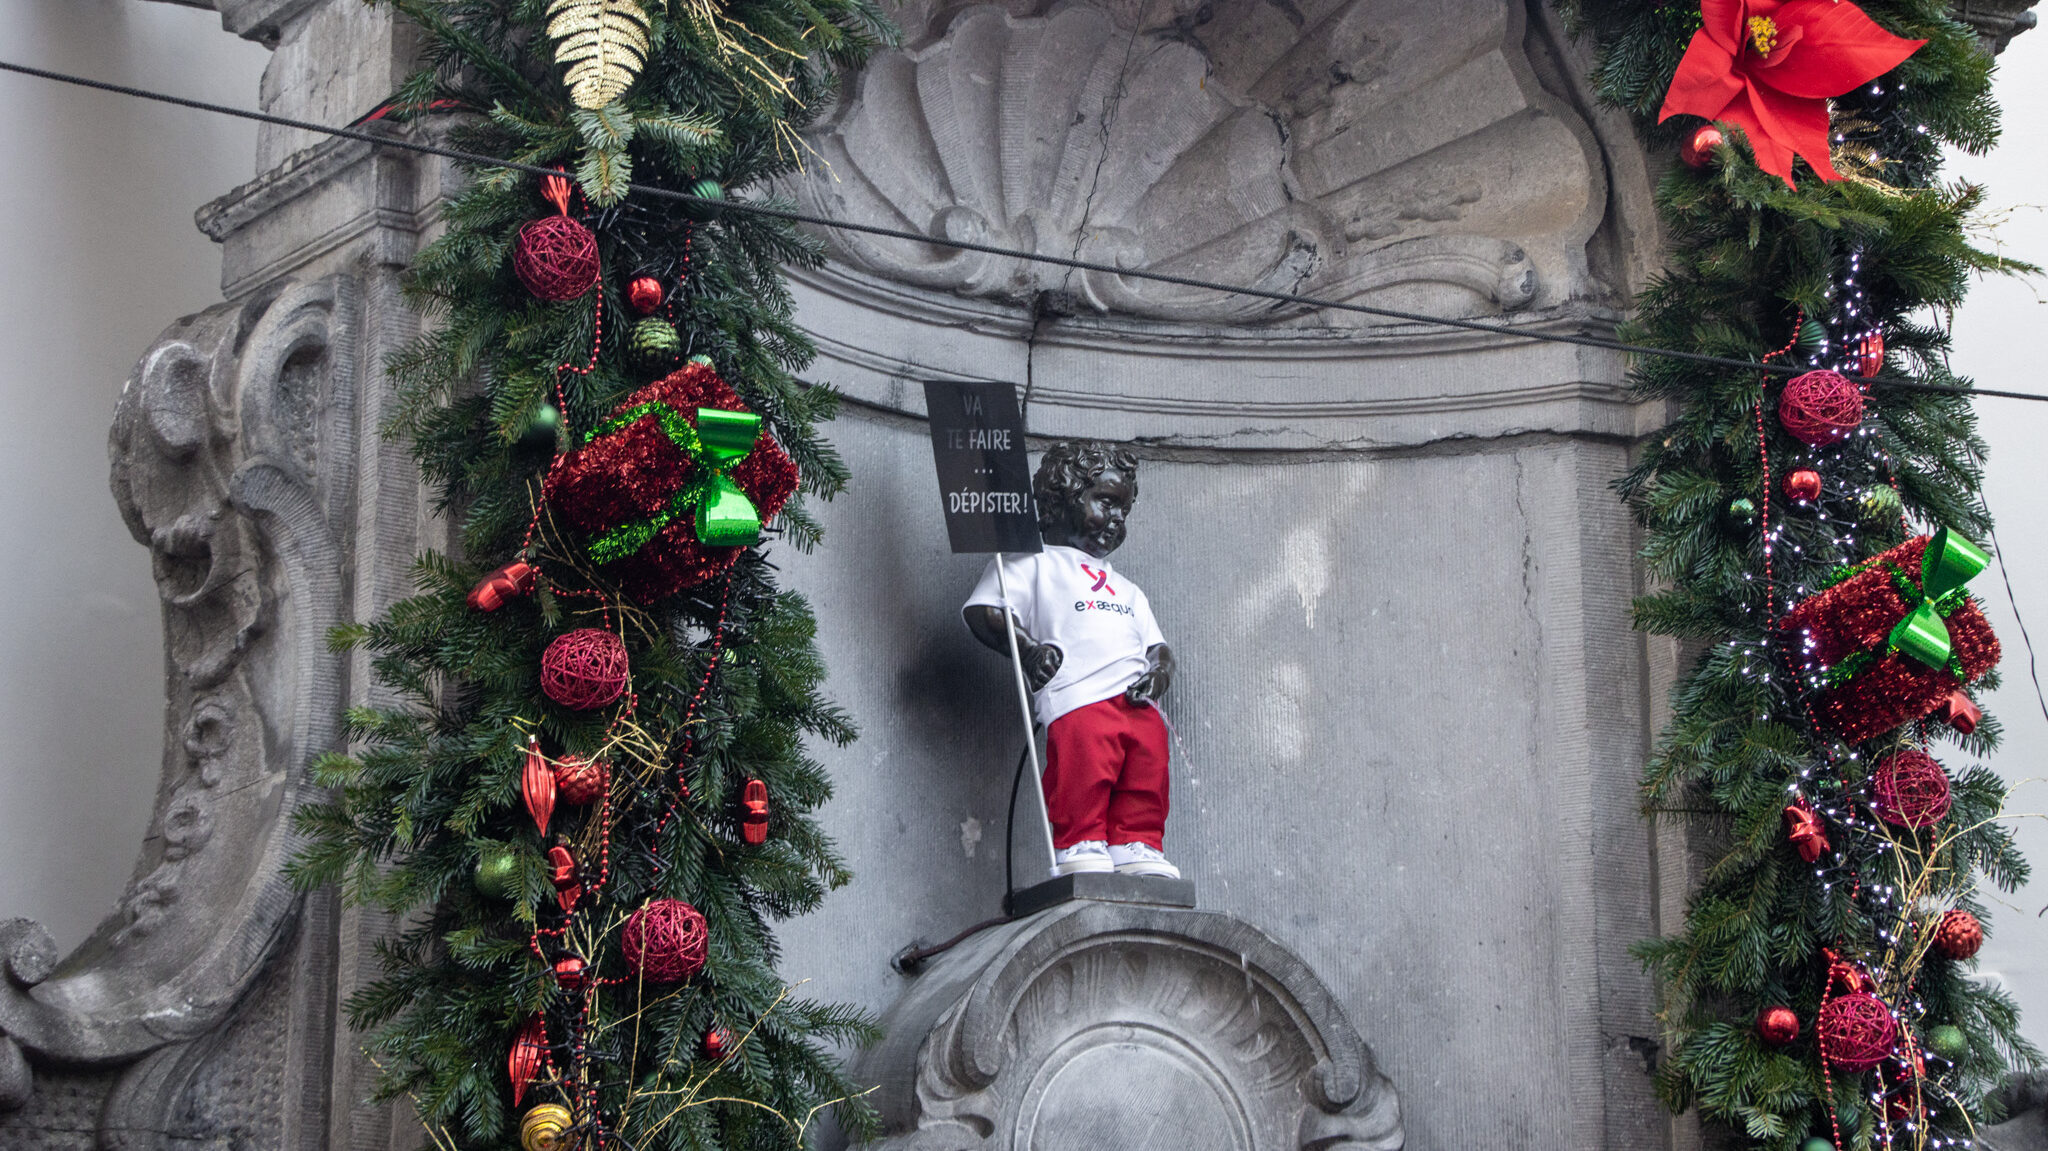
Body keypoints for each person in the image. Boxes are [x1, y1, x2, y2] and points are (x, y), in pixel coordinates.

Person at [963, 440, 1179, 880]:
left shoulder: (1128, 590)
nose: (1116, 520)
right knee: (1083, 767)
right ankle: (1080, 839)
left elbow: (1157, 647)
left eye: (1124, 511)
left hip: (1136, 700)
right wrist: (1026, 650)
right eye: (1106, 502)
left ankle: (1136, 840)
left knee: (1148, 764)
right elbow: (985, 610)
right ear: (1061, 498)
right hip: (1078, 695)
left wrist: (1159, 672)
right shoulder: (1031, 564)